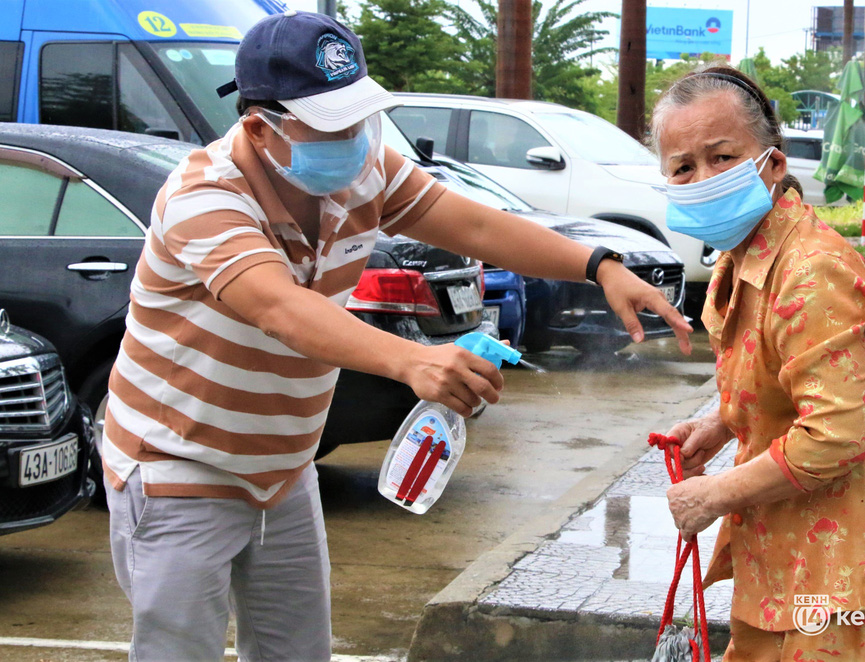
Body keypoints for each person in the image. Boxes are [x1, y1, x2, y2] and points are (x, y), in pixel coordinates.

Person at [101, 10, 693, 662]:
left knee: (297, 653)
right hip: (181, 465)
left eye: (359, 116)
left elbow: (476, 227)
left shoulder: (362, 170)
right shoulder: (204, 196)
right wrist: (412, 360)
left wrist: (599, 266)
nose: (354, 137)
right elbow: (280, 309)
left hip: (282, 470)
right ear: (258, 128)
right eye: (332, 124)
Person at [652, 66, 865, 661]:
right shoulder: (743, 260)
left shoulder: (809, 269)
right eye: (684, 167)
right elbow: (791, 374)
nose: (704, 178)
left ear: (773, 162)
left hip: (851, 579)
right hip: (786, 563)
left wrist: (713, 496)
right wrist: (722, 422)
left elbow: (834, 436)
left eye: (722, 156)